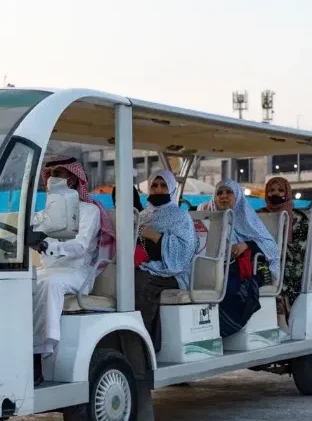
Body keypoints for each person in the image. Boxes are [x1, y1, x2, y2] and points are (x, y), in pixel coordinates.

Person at [31, 154, 116, 386]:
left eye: (58, 174)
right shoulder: (48, 211)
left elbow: (81, 246)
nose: (51, 179)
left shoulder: (89, 210)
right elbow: (30, 227)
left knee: (50, 285)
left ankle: (39, 354)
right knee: (19, 282)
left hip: (78, 272)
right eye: (50, 175)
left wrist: (49, 245)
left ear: (72, 180)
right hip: (50, 269)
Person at [133, 169, 198, 349]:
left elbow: (185, 253)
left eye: (163, 185)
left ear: (171, 189)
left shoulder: (180, 216)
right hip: (147, 265)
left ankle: (143, 344)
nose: (158, 189)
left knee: (142, 284)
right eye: (154, 185)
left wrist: (156, 236)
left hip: (174, 272)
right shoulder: (144, 216)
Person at [211, 180, 281, 338]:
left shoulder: (248, 218)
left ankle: (226, 326)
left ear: (238, 197)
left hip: (254, 268)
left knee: (234, 289)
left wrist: (247, 245)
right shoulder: (210, 219)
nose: (223, 196)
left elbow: (272, 249)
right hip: (216, 267)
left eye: (228, 192)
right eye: (219, 193)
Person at [256, 177, 308, 334]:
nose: (275, 193)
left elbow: (301, 247)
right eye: (271, 190)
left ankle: (281, 316)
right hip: (262, 259)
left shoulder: (298, 217)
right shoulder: (259, 215)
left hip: (290, 261)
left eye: (280, 190)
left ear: (287, 192)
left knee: (279, 274)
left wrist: (276, 251)